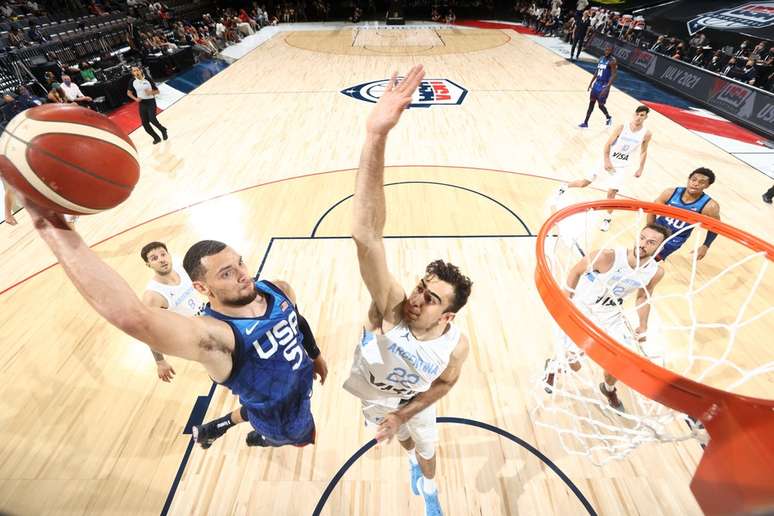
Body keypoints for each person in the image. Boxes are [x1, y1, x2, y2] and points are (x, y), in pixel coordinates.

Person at [17, 200, 329, 449]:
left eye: (240, 263)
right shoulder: (214, 337)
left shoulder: (276, 288)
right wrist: (51, 225)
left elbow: (297, 319)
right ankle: (264, 439)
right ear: (202, 289)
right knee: (288, 436)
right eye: (225, 273)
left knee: (258, 405)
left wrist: (314, 354)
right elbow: (133, 317)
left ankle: (216, 426)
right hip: (282, 419)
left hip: (295, 384)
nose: (243, 274)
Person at [346, 64, 472, 516]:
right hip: (376, 393)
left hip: (412, 401)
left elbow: (448, 381)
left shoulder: (457, 345)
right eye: (421, 286)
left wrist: (408, 410)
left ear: (448, 316)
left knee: (425, 446)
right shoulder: (396, 308)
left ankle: (431, 489)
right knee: (399, 440)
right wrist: (376, 136)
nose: (417, 298)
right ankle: (410, 457)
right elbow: (367, 237)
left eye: (432, 298)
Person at [544, 224, 670, 411]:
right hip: (583, 311)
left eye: (651, 242)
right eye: (642, 237)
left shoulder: (655, 272)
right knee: (574, 365)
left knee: (620, 363)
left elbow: (644, 295)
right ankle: (553, 366)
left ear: (660, 248)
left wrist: (643, 325)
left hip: (612, 317)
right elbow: (576, 271)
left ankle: (608, 388)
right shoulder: (607, 257)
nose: (643, 244)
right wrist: (567, 299)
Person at [558, 105, 652, 231]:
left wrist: (641, 168)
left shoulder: (646, 134)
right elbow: (607, 144)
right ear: (634, 114)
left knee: (611, 193)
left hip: (622, 166)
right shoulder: (622, 127)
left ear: (646, 117)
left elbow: (643, 152)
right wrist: (607, 161)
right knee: (584, 183)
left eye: (642, 115)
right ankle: (565, 186)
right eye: (637, 114)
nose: (639, 117)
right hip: (606, 160)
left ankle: (607, 218)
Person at [140, 241, 204, 382]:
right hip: (193, 338)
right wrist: (160, 362)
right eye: (154, 258)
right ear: (148, 265)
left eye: (163, 254)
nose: (161, 259)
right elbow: (148, 331)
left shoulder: (183, 269)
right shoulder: (153, 296)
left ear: (169, 255)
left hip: (208, 319)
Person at [647, 168, 720, 261]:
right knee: (639, 254)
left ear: (707, 186)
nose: (696, 183)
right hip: (657, 229)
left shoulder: (710, 206)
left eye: (701, 182)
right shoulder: (670, 193)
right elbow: (652, 209)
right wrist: (649, 228)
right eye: (693, 179)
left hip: (674, 239)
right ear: (689, 180)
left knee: (649, 260)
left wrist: (705, 246)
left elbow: (716, 227)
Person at [126, 66, 168, 144]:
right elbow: (129, 93)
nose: (136, 72)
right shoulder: (132, 81)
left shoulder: (147, 79)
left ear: (141, 71)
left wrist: (150, 93)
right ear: (132, 73)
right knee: (145, 124)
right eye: (134, 71)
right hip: (142, 104)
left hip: (150, 102)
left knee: (152, 119)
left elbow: (157, 91)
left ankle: (163, 130)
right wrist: (136, 99)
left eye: (137, 70)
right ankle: (156, 138)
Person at [580, 45, 616, 128]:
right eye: (606, 49)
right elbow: (597, 71)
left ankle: (608, 117)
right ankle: (585, 123)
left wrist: (607, 87)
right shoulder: (601, 58)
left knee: (600, 105)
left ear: (611, 51)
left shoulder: (612, 61)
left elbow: (614, 75)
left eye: (609, 50)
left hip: (604, 85)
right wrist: (591, 83)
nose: (607, 51)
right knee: (591, 103)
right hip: (596, 84)